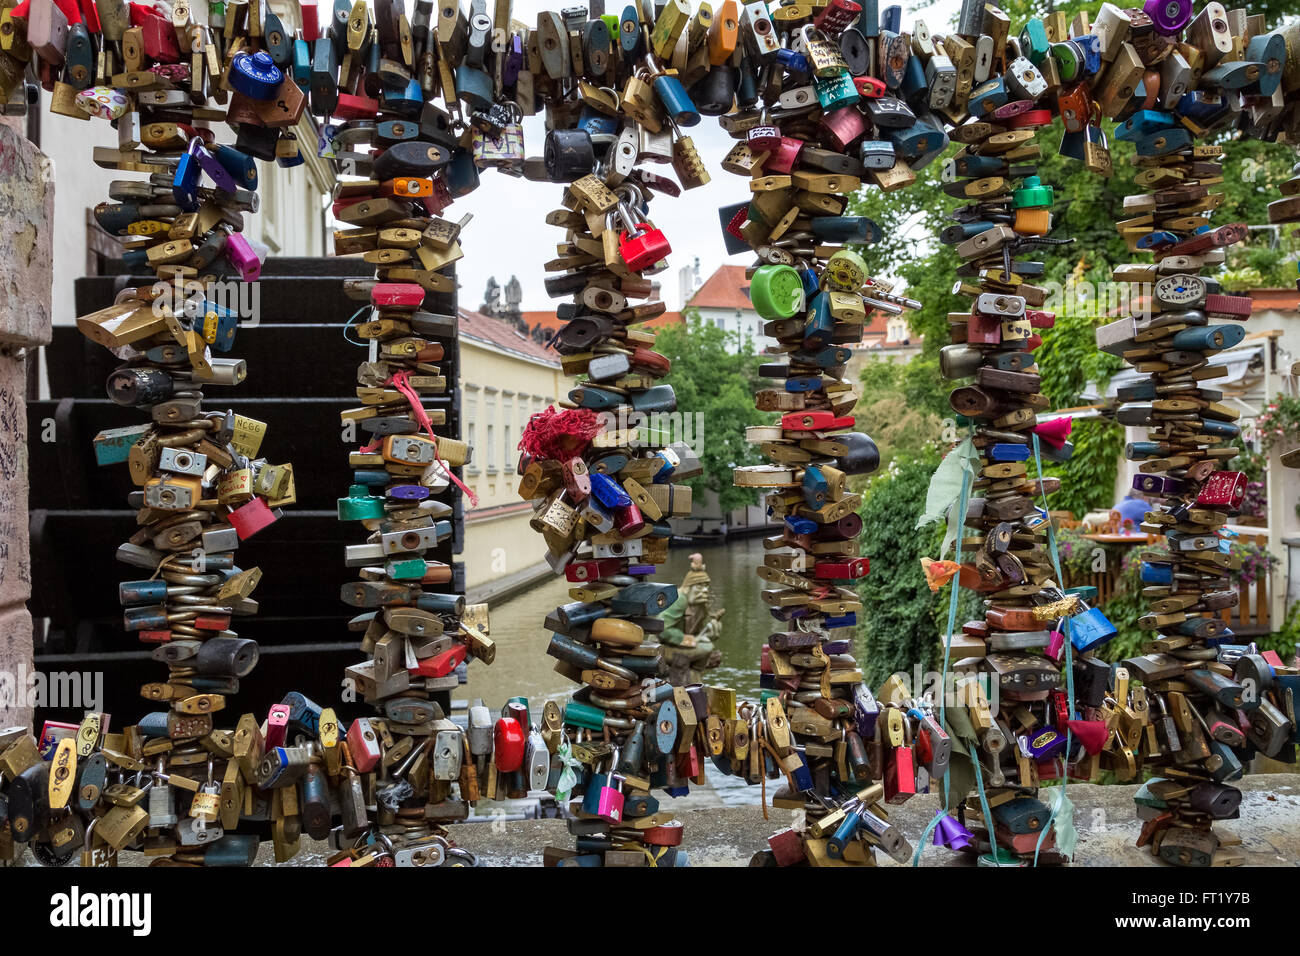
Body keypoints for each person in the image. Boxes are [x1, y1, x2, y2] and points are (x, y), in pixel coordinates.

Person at [657, 553, 724, 685]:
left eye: (706, 586)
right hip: (661, 647)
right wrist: (689, 640)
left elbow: (697, 632)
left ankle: (695, 675)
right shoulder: (679, 599)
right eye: (699, 586)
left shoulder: (699, 606)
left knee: (707, 645)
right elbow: (661, 628)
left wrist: (711, 632)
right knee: (706, 647)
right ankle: (691, 676)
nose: (705, 590)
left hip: (678, 646)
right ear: (688, 587)